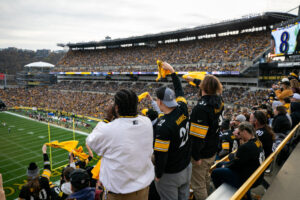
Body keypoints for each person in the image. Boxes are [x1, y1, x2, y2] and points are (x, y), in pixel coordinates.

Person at [86, 89, 154, 200]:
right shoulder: (146, 122)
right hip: (143, 190)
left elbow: (91, 141)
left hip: (119, 195)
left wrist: (107, 118)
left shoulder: (110, 129)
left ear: (116, 108)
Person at [153, 62, 192, 200]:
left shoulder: (163, 126)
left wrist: (158, 174)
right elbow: (180, 91)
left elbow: (161, 156)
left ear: (160, 103)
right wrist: (173, 73)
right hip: (186, 166)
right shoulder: (182, 107)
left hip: (171, 173)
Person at [186, 74, 224, 200]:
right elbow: (210, 87)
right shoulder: (220, 100)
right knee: (206, 177)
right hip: (212, 148)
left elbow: (197, 138)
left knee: (198, 185)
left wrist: (196, 156)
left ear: (203, 87)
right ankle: (210, 195)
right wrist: (194, 80)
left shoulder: (201, 109)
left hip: (202, 153)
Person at [211, 122, 265, 197]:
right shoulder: (258, 142)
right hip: (256, 176)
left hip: (247, 179)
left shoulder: (246, 146)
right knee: (219, 164)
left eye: (240, 132)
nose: (239, 135)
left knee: (215, 172)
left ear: (244, 132)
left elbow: (235, 165)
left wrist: (225, 166)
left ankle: (223, 195)